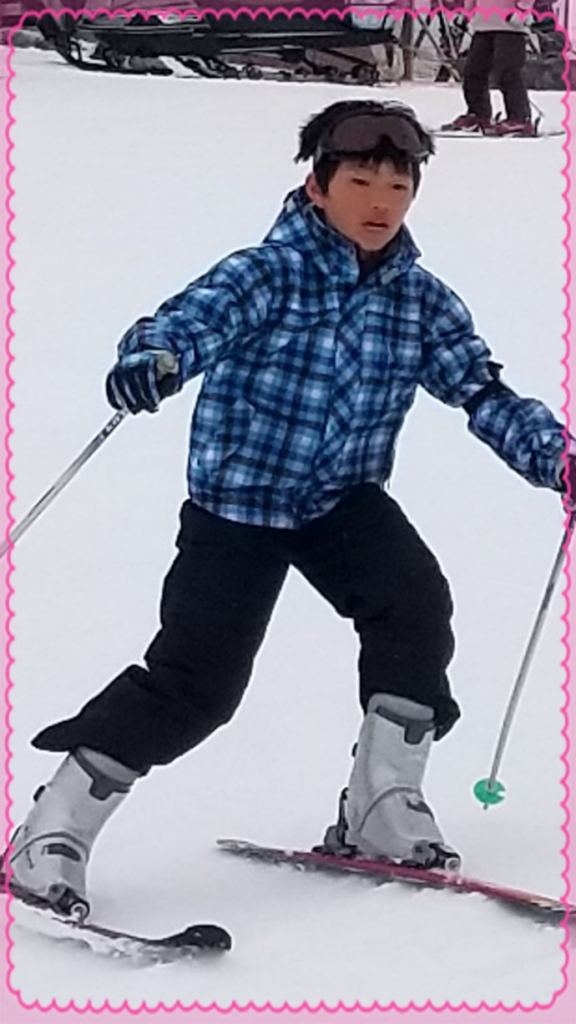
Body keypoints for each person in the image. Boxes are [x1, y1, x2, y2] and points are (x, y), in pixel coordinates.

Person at [7, 98, 570, 921]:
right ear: (317, 185)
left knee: (413, 604)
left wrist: (554, 457)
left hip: (341, 499)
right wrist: (152, 361)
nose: (380, 203)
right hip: (238, 506)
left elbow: (481, 391)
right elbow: (180, 328)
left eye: (398, 186)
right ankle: (53, 827)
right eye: (361, 181)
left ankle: (381, 804)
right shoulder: (266, 274)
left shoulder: (419, 300)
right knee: (198, 683)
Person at [443, 0, 536, 136]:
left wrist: (522, 9)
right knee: (473, 71)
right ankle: (478, 113)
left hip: (510, 26)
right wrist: (467, 12)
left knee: (508, 72)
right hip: (482, 24)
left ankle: (519, 117)